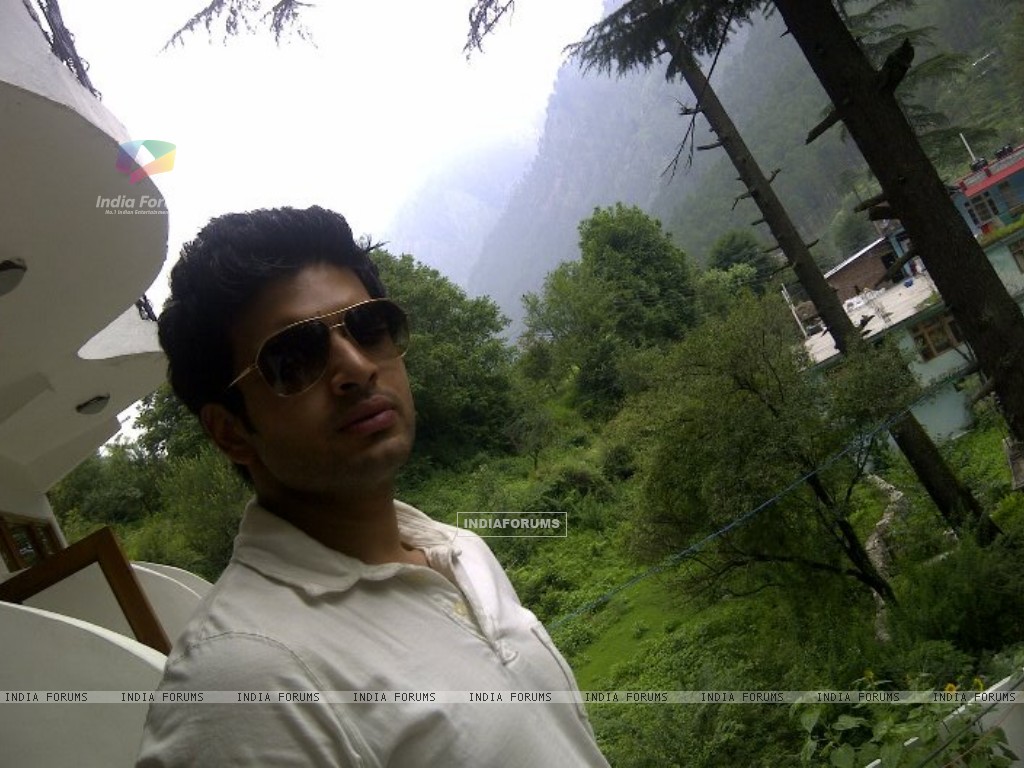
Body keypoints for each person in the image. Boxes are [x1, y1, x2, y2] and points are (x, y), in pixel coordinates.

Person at [135, 206, 610, 767]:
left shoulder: (462, 552)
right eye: (293, 358)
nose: (357, 367)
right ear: (231, 431)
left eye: (369, 328)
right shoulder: (242, 680)